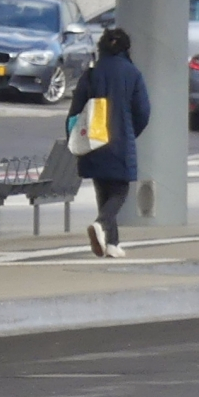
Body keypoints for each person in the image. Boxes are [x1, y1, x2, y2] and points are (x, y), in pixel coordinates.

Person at [67, 27, 151, 258]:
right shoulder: (132, 74)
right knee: (120, 189)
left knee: (102, 188)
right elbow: (143, 111)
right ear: (126, 48)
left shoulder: (92, 73)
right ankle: (102, 224)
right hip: (120, 140)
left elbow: (75, 110)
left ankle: (112, 243)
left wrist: (74, 137)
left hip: (93, 139)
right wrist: (130, 132)